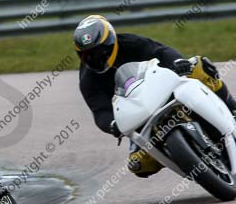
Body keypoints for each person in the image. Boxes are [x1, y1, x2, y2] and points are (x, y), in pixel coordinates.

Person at [73, 14, 236, 177]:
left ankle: (232, 107)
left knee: (199, 67)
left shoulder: (130, 43)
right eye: (88, 55)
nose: (96, 58)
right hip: (139, 116)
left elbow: (161, 51)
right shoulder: (88, 81)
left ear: (111, 40)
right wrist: (112, 124)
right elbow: (100, 111)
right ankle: (191, 161)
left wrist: (177, 62)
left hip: (161, 87)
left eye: (100, 50)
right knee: (138, 164)